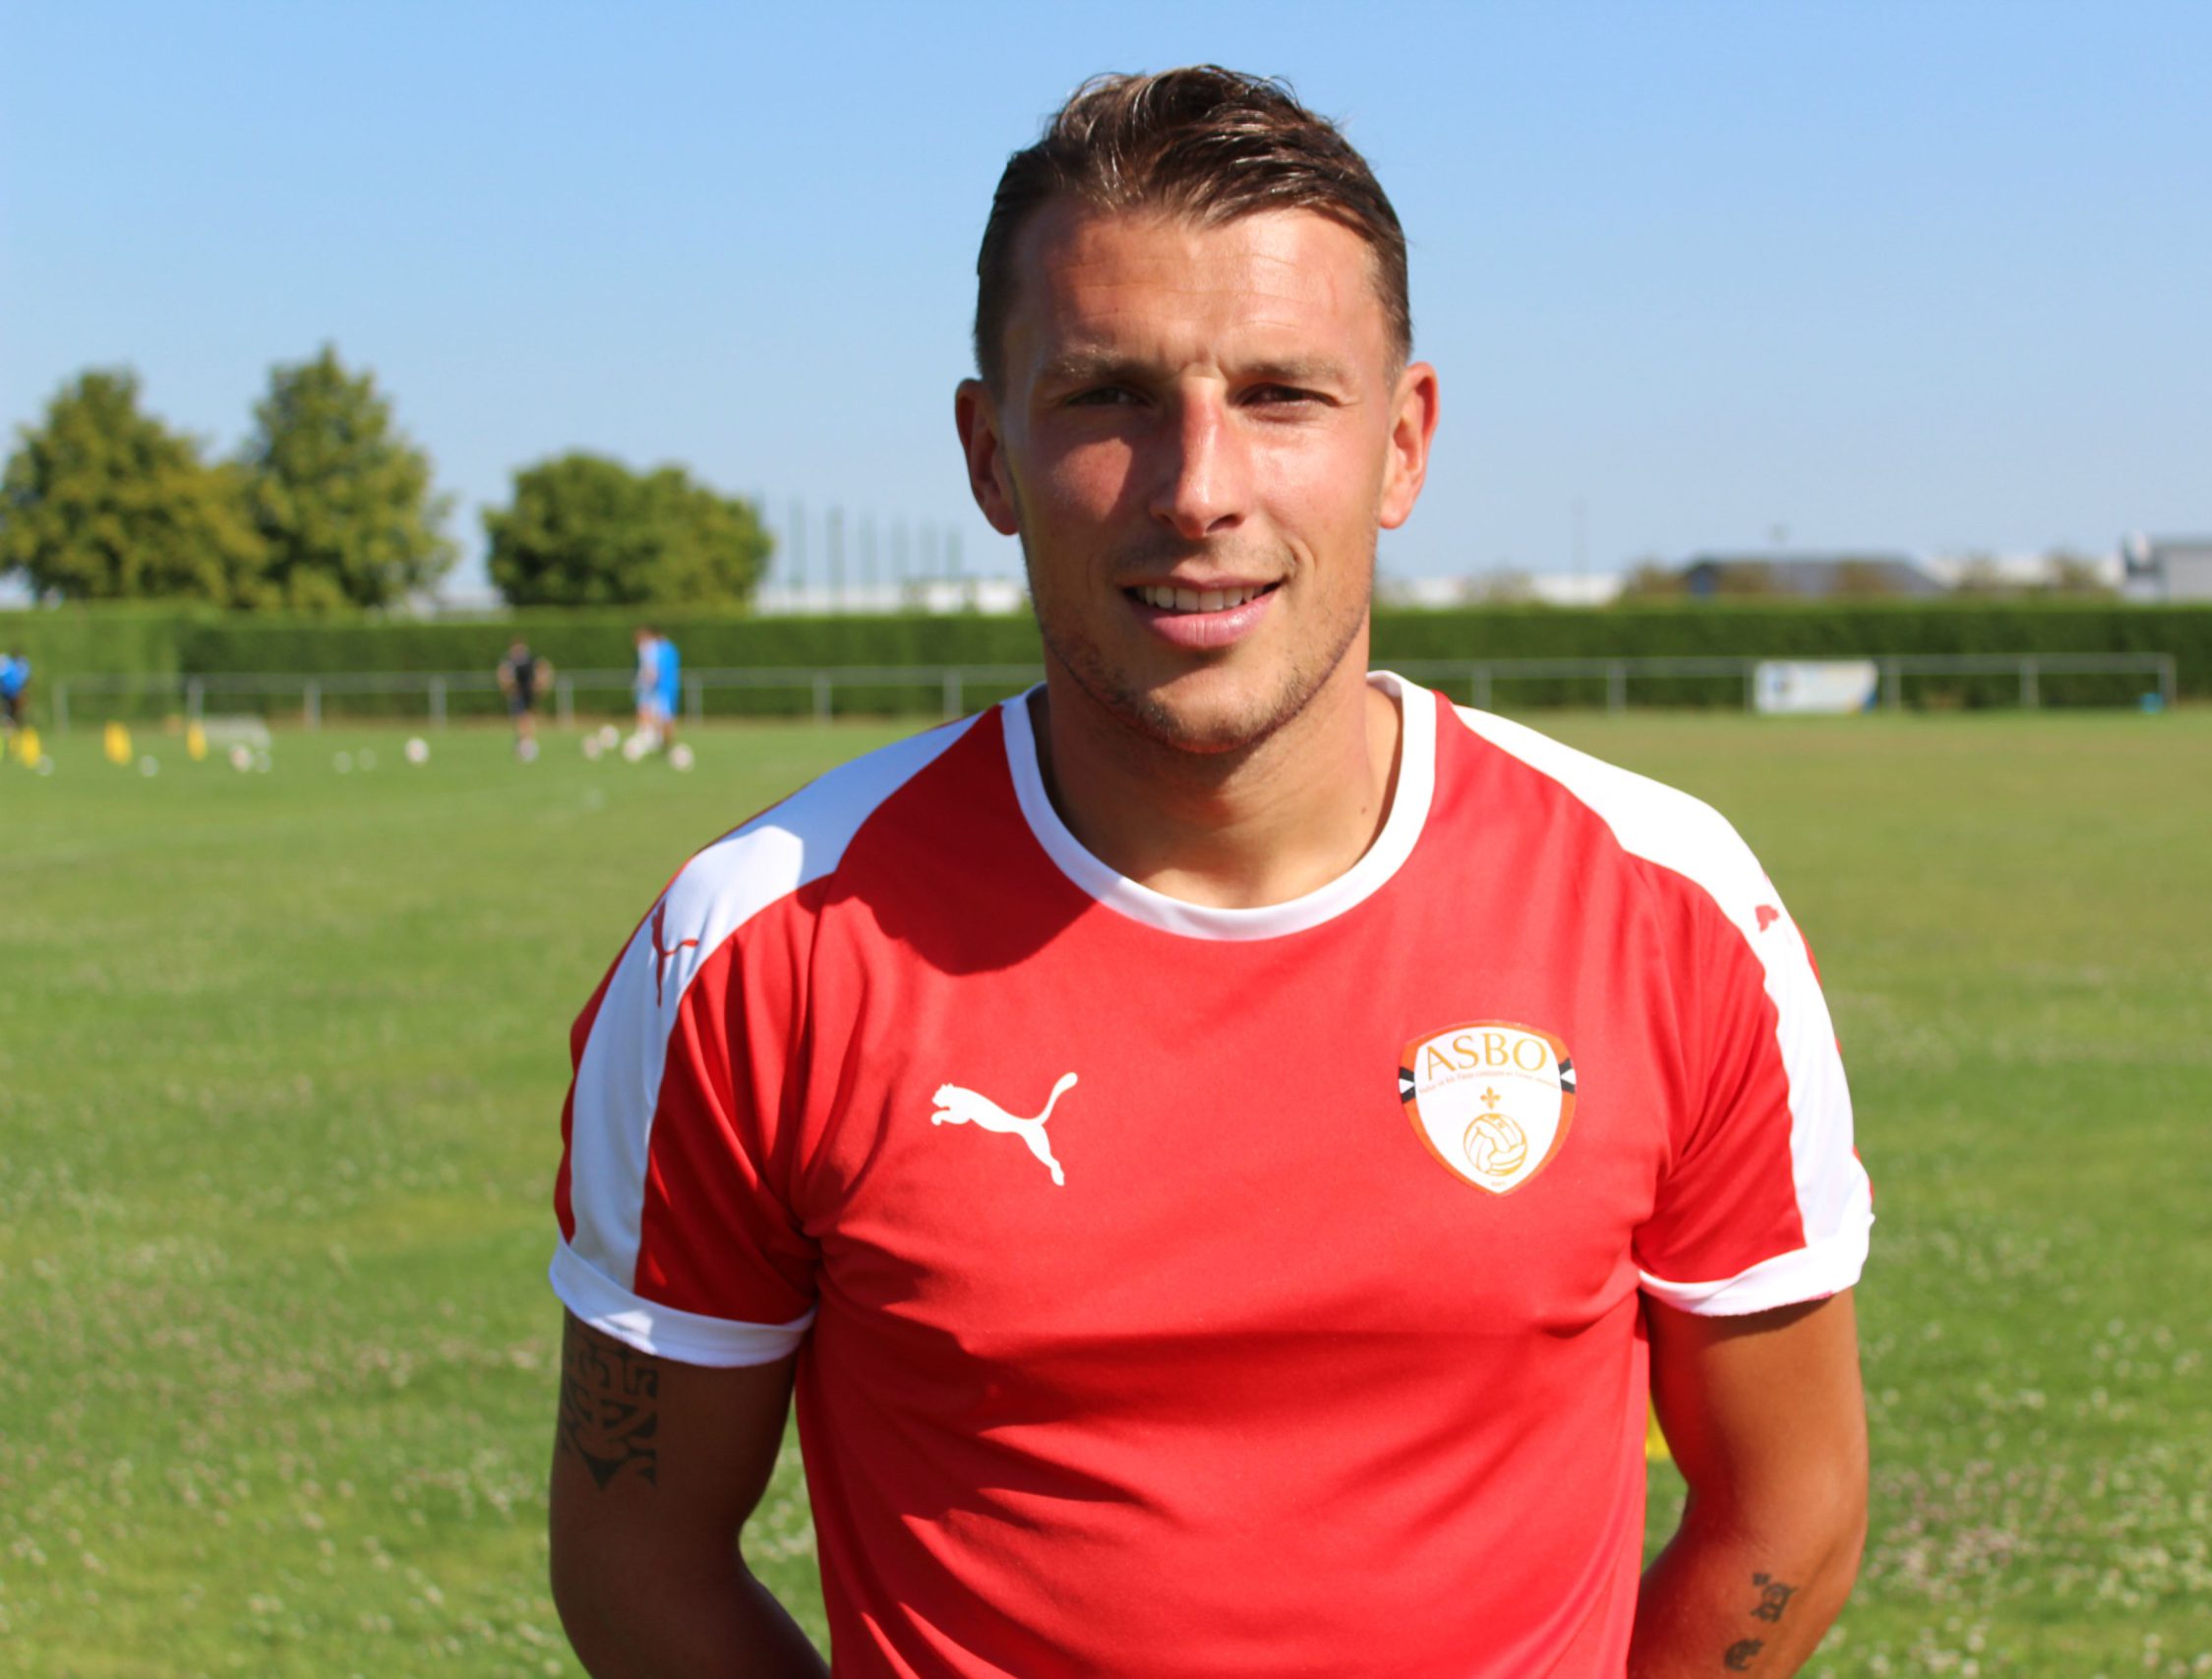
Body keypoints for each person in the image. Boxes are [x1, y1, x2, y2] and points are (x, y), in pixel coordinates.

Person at [547, 68, 1871, 1679]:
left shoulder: (1674, 913)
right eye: (1108, 395)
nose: (1199, 487)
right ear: (988, 453)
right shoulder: (754, 952)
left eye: (1281, 394)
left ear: (1403, 443)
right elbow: (638, 1553)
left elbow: (1790, 1505)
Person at [498, 637, 554, 760]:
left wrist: (541, 684)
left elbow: (544, 668)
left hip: (528, 693)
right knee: (520, 719)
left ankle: (527, 745)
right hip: (517, 694)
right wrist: (507, 686)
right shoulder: (509, 661)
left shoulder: (531, 659)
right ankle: (524, 744)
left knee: (526, 718)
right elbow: (503, 675)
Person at [630, 625, 681, 755]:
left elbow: (653, 671)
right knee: (661, 716)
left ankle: (660, 744)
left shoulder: (654, 649)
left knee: (661, 716)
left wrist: (645, 684)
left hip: (661, 689)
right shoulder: (671, 648)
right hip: (668, 687)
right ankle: (662, 745)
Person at [0, 649, 29, 733]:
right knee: (11, 711)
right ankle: (12, 726)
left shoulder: (9, 667)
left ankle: (11, 726)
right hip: (13, 691)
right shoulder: (13, 666)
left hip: (9, 692)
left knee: (10, 710)